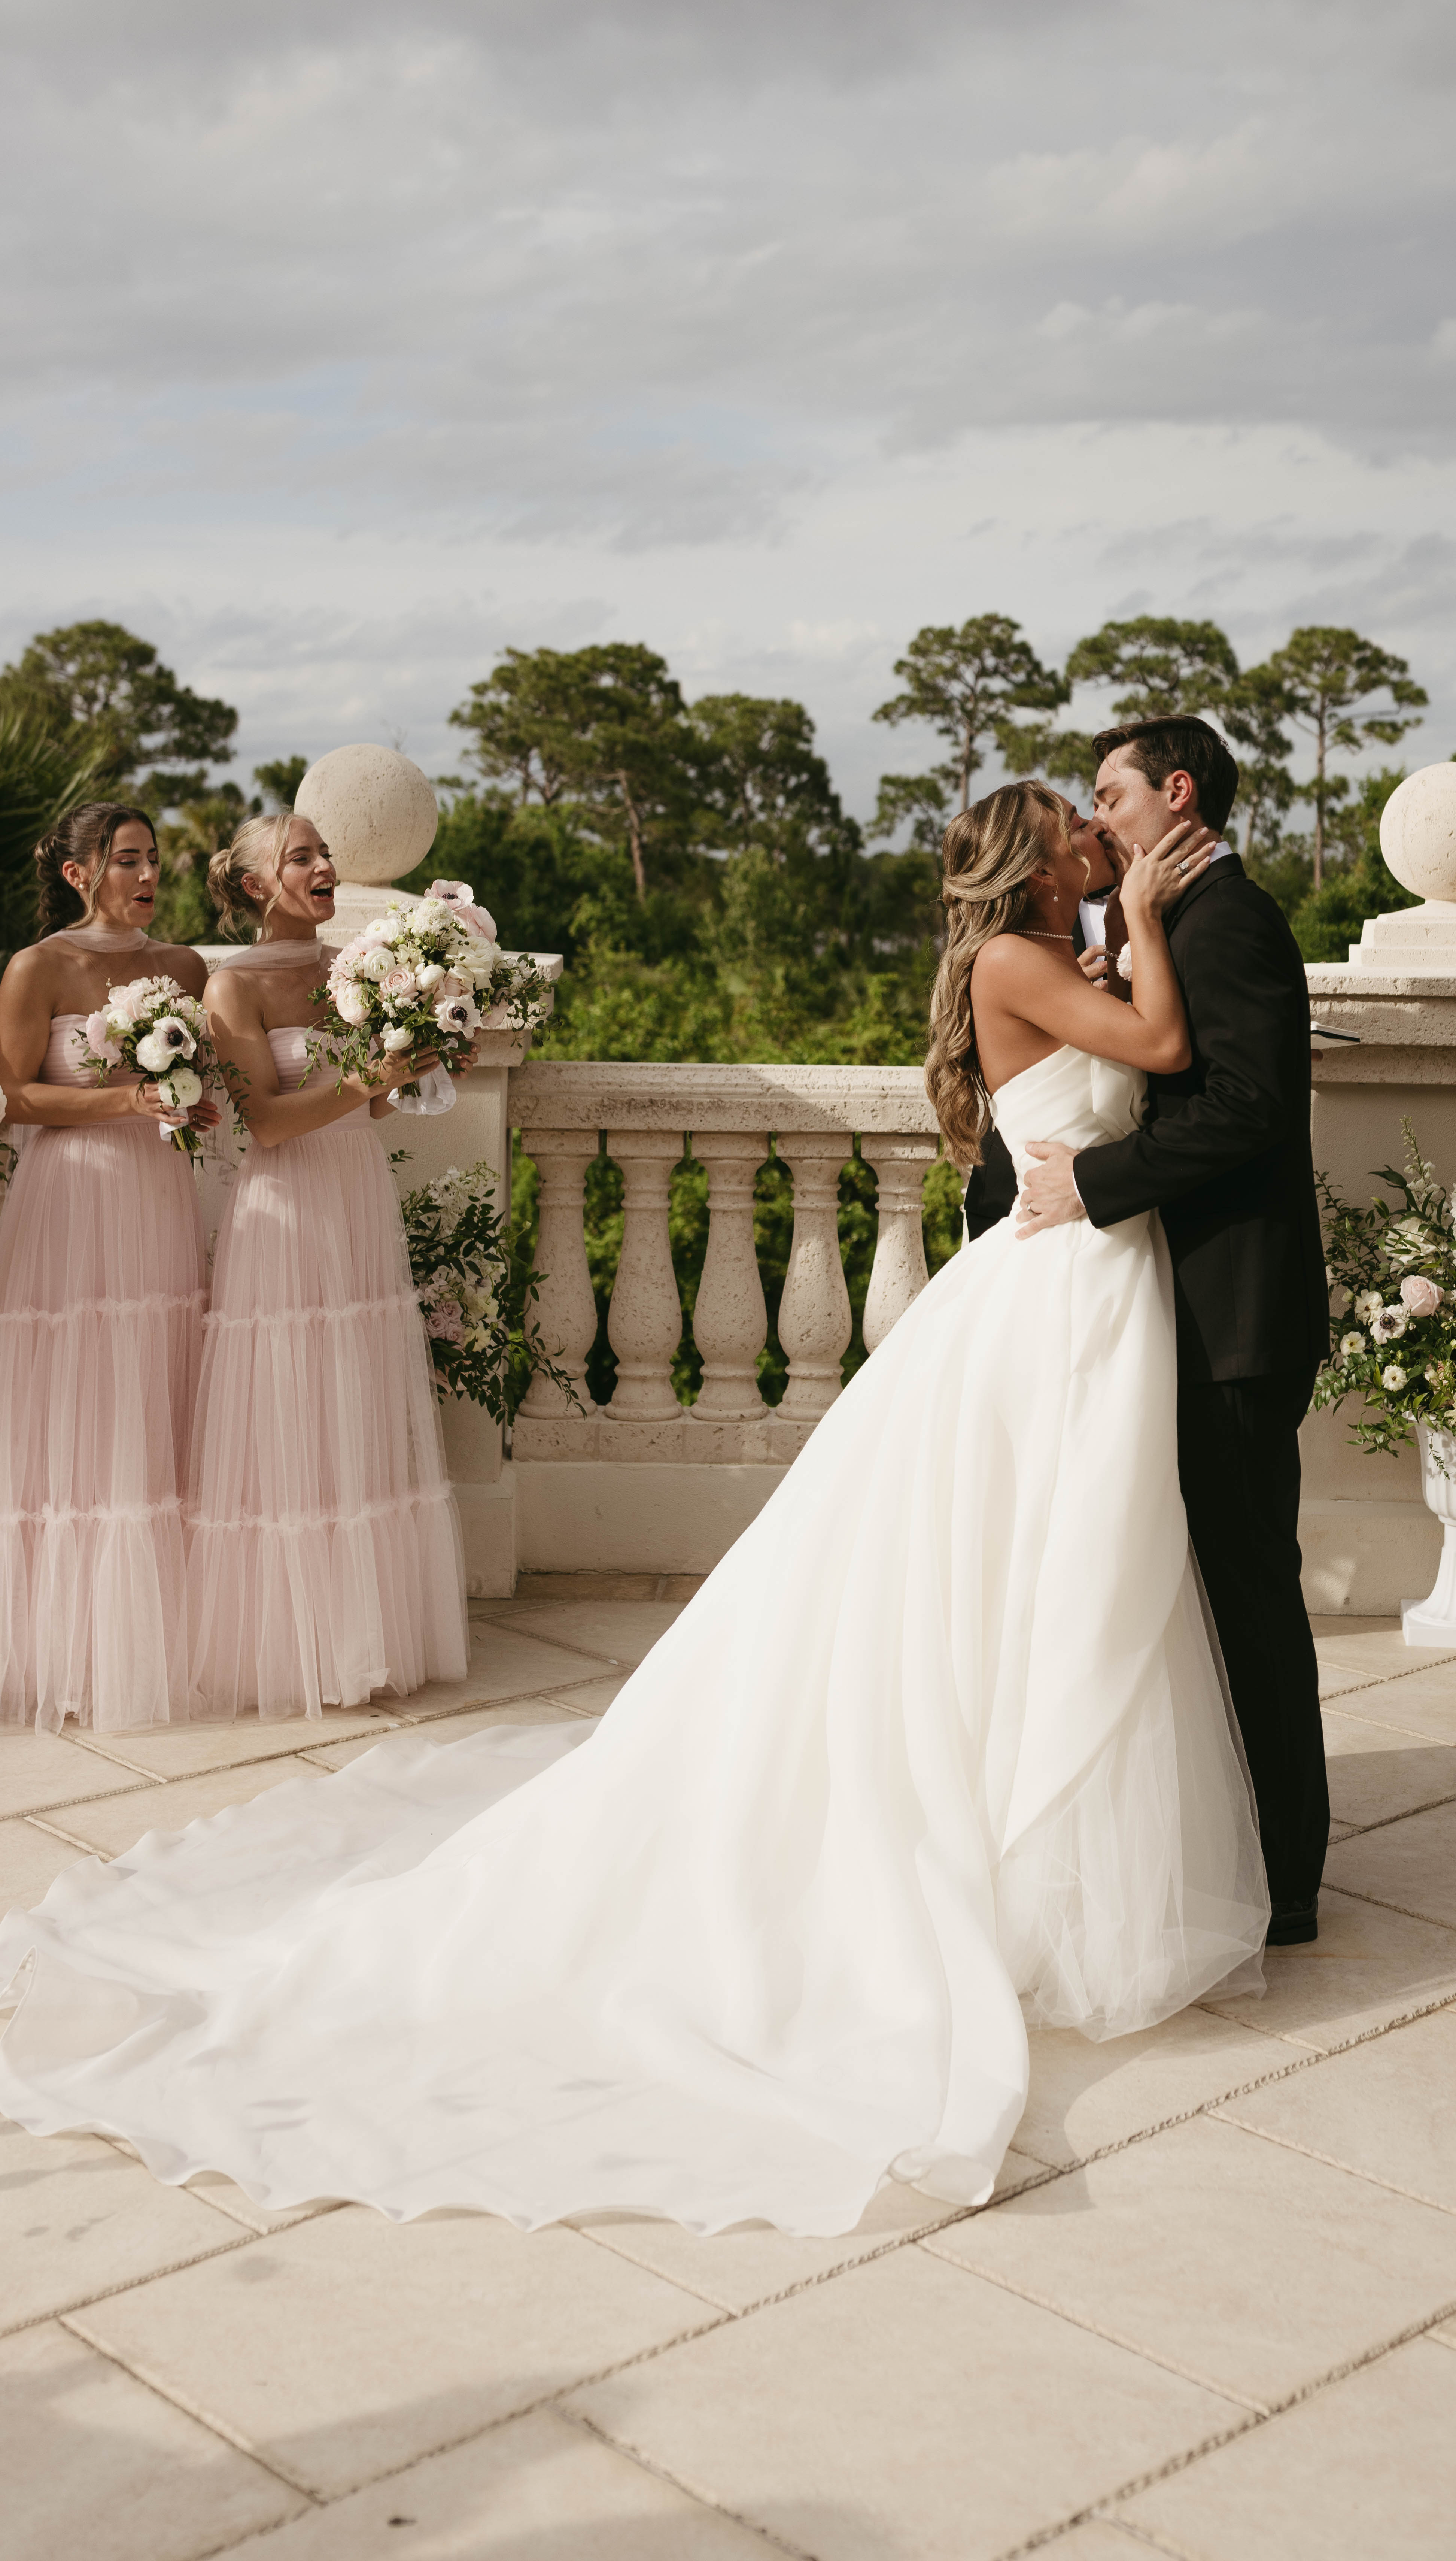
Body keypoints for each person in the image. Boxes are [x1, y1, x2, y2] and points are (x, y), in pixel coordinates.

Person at [0, 783, 1266, 2236]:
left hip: (1090, 1282)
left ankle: (1042, 1847)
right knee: (1026, 1563)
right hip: (1055, 1290)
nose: (1095, 838)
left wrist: (1129, 936)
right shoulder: (1017, 959)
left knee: (1065, 1570)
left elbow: (1122, 1051)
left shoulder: (1060, 952)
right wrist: (1153, 923)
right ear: (1035, 860)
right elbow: (1162, 1047)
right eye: (1072, 822)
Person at [1017, 717, 1330, 1941]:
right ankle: (1232, 1846)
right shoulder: (1176, 926)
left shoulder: (1232, 925)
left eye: (1110, 793)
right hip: (1178, 1307)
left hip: (1233, 1312)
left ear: (1176, 793)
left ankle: (1289, 1878)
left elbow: (1248, 1113)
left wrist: (1091, 1184)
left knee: (1248, 1587)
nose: (1096, 818)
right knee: (1194, 1589)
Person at [181, 811, 471, 1720]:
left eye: (324, 852)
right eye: (299, 855)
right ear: (259, 885)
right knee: (290, 1413)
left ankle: (364, 1635)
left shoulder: (359, 965)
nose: (323, 865)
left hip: (354, 1198)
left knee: (353, 1406)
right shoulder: (233, 989)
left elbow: (376, 1113)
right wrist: (365, 1083)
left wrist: (411, 1060)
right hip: (284, 1210)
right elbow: (262, 1123)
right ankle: (291, 1646)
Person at [0, 804, 221, 1733]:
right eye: (127, 859)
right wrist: (127, 1095)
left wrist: (187, 1101)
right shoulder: (37, 967)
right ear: (79, 871)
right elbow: (14, 1094)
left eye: (154, 859)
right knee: (74, 1397)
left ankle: (154, 1634)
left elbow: (209, 1077)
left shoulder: (185, 969)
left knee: (152, 1384)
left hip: (155, 1196)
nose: (146, 876)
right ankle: (61, 1646)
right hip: (72, 1196)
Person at [961, 809, 1128, 1239]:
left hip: (1121, 1200)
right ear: (1040, 869)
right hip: (1029, 1199)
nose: (1097, 823)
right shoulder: (1014, 950)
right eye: (1075, 823)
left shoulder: (1139, 911)